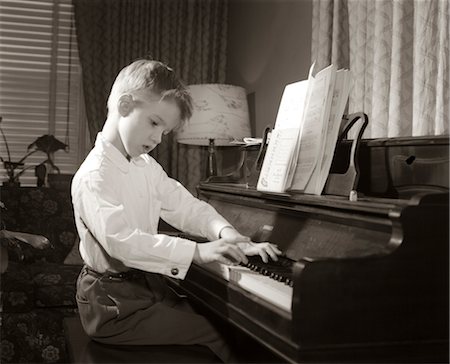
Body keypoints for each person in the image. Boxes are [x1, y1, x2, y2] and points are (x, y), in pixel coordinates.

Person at [71, 59, 281, 362]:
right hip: (110, 305)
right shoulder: (94, 175)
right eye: (155, 123)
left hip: (142, 289)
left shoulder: (145, 167)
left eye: (164, 131)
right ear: (125, 105)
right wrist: (199, 253)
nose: (157, 139)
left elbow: (185, 206)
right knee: (214, 334)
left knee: (224, 321)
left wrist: (228, 233)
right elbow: (122, 243)